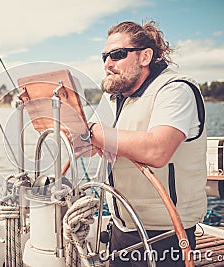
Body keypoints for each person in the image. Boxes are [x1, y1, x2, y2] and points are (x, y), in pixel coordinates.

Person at [86, 21, 207, 266]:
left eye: (117, 55)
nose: (108, 64)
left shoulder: (176, 90)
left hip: (166, 235)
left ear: (145, 56)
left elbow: (157, 150)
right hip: (122, 227)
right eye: (104, 57)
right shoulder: (112, 99)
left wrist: (94, 134)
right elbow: (89, 143)